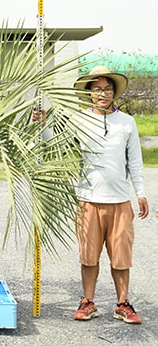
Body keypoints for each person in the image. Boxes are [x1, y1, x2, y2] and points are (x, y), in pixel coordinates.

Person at [33, 65, 149, 324]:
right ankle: (88, 301)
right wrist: (42, 125)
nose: (103, 93)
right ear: (89, 94)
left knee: (121, 258)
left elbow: (135, 162)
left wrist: (140, 193)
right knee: (89, 256)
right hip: (87, 200)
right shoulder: (79, 120)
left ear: (114, 92)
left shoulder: (127, 123)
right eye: (97, 89)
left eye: (107, 89)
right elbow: (57, 145)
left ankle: (123, 304)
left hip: (119, 202)